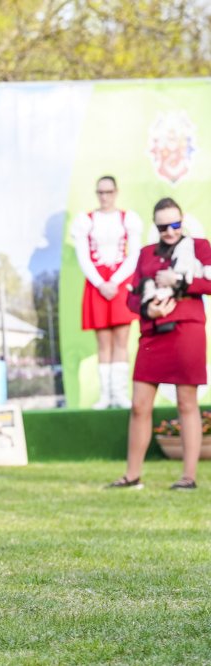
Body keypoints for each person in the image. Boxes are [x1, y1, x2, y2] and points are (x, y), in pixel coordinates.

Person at [108, 197, 210, 491]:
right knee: (139, 405)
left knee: (186, 403)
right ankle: (132, 476)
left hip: (186, 331)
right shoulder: (146, 254)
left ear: (182, 221)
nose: (170, 231)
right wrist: (147, 309)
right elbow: (130, 297)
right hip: (153, 333)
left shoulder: (199, 247)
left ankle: (188, 477)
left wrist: (181, 282)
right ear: (156, 226)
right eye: (163, 226)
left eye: (175, 224)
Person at [70, 176, 142, 409]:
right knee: (103, 342)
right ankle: (105, 396)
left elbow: (134, 254)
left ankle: (120, 394)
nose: (104, 197)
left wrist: (115, 281)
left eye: (109, 192)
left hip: (121, 282)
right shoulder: (86, 221)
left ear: (116, 192)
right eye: (100, 192)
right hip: (97, 284)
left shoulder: (127, 219)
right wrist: (101, 283)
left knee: (121, 340)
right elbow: (83, 256)